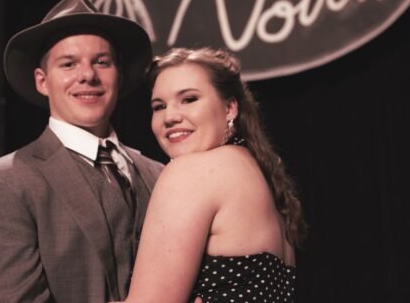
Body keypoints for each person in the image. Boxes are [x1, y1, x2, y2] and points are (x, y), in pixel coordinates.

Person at [0, 0, 164, 303]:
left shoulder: (160, 175)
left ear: (120, 74)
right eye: (69, 64)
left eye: (101, 62)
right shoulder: (6, 182)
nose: (87, 75)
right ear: (42, 81)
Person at [122, 48, 307, 303]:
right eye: (159, 106)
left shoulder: (192, 172)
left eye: (189, 99)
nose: (170, 117)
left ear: (230, 108)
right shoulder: (261, 177)